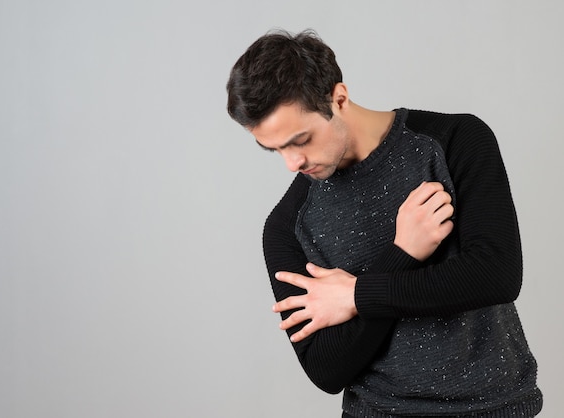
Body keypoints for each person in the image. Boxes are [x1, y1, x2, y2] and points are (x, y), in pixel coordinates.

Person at [226, 29, 543, 417]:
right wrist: (401, 254)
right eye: (274, 149)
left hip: (497, 408)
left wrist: (355, 296)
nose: (292, 163)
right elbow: (326, 369)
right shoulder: (287, 226)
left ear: (338, 98)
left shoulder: (455, 140)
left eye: (300, 140)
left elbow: (497, 274)